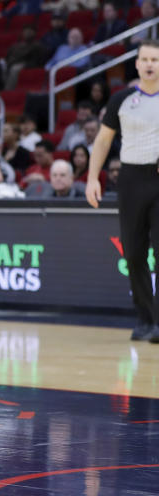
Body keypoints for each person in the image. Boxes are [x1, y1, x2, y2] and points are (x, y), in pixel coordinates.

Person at [87, 40, 159, 342]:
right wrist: (93, 178)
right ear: (137, 63)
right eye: (144, 58)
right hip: (130, 179)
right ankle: (146, 320)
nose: (149, 64)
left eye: (155, 59)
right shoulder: (122, 99)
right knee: (133, 252)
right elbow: (103, 142)